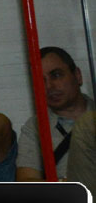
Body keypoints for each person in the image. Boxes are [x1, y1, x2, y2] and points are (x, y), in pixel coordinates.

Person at [16, 47, 92, 181]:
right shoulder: (35, 128)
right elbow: (27, 182)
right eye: (41, 80)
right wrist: (65, 186)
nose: (49, 86)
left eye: (56, 75)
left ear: (77, 76)